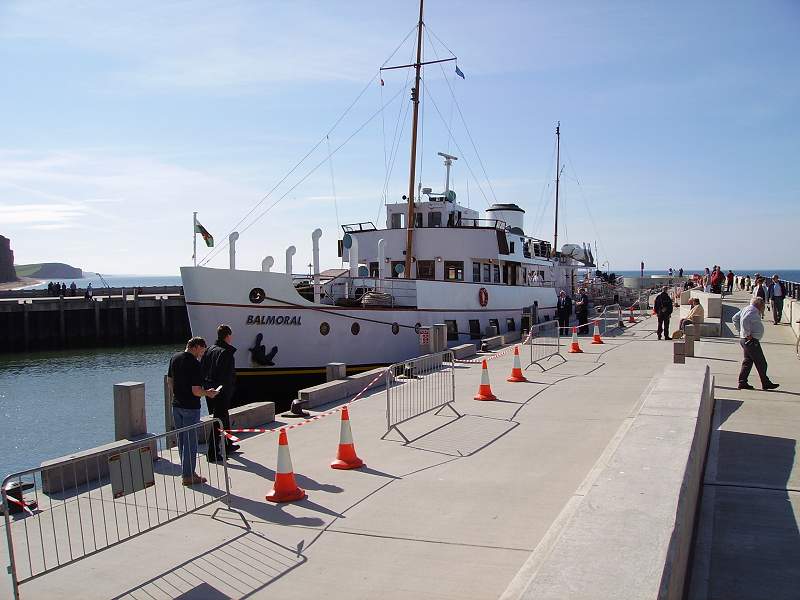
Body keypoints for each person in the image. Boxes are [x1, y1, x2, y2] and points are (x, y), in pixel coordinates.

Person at [167, 337, 219, 485]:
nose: (202, 354)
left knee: (182, 440)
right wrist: (208, 393)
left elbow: (169, 381)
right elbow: (196, 391)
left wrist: (178, 394)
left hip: (176, 405)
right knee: (191, 442)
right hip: (190, 407)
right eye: (202, 350)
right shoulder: (195, 364)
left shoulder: (174, 358)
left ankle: (186, 472)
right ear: (195, 347)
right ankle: (188, 476)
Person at [202, 324, 239, 462]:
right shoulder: (226, 352)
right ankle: (212, 452)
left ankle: (228, 444)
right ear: (228, 336)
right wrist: (228, 389)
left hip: (209, 389)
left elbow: (203, 369)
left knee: (223, 417)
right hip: (221, 391)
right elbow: (227, 376)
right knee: (218, 420)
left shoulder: (209, 349)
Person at [732, 297, 779, 391]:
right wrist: (747, 334)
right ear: (759, 305)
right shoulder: (752, 311)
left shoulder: (746, 308)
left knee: (748, 362)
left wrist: (741, 331)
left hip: (745, 340)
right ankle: (765, 383)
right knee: (761, 363)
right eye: (763, 306)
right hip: (751, 341)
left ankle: (742, 382)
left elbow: (735, 318)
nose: (764, 308)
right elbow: (745, 320)